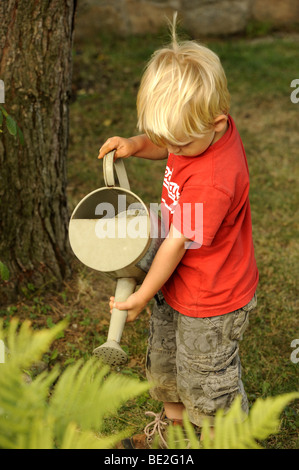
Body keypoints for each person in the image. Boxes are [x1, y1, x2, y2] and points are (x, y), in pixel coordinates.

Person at [98, 16, 259, 449]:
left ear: (218, 121)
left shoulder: (212, 181)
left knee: (207, 377)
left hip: (212, 296)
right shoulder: (198, 128)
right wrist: (136, 143)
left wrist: (143, 294)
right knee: (167, 362)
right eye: (165, 141)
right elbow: (168, 138)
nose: (173, 151)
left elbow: (174, 244)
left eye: (180, 145)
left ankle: (226, 439)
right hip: (179, 282)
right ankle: (173, 432)